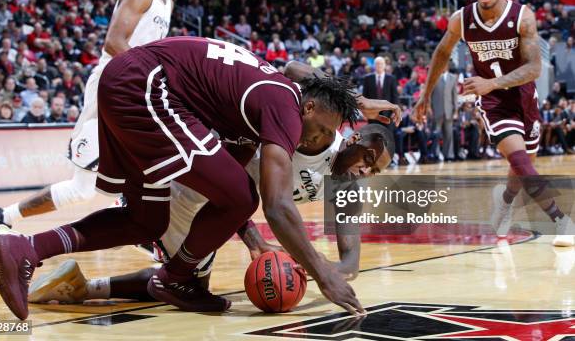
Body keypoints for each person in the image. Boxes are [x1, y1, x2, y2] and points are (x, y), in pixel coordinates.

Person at [0, 37, 400, 320]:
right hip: (146, 86)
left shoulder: (289, 106)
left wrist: (358, 103)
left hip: (133, 86)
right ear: (308, 107)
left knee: (146, 221)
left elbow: (300, 71)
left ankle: (25, 246)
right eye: (324, 130)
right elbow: (274, 205)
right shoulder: (284, 104)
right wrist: (323, 273)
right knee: (242, 198)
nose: (322, 138)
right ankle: (177, 278)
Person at [0, 0, 182, 265]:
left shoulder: (167, 2)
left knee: (154, 165)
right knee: (84, 188)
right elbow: (114, 43)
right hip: (111, 89)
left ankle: (144, 229)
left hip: (136, 92)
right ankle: (0, 215)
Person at [28, 123, 396, 304]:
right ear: (354, 139)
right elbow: (235, 183)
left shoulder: (346, 185)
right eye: (367, 160)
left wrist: (320, 270)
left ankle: (78, 283)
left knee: (187, 279)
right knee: (181, 279)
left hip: (221, 208)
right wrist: (254, 239)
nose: (365, 172)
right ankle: (39, 255)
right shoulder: (309, 137)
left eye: (373, 171)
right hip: (195, 190)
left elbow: (352, 260)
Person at [412, 0, 573, 247]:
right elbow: (441, 52)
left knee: (522, 166)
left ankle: (505, 200)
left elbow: (535, 67)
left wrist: (493, 82)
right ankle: (561, 220)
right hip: (493, 101)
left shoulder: (522, 17)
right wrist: (425, 95)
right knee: (520, 160)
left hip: (523, 96)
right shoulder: (462, 19)